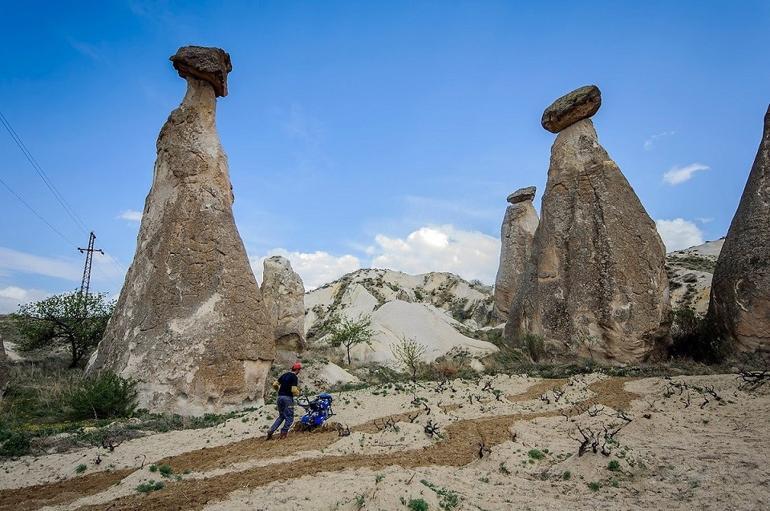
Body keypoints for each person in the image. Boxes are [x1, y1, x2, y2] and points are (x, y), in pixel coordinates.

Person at [266, 361, 302, 440]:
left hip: (279, 398)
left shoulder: (284, 375)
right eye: (299, 370)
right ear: (298, 370)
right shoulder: (294, 377)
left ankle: (271, 430)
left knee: (281, 416)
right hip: (288, 399)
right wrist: (299, 393)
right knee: (290, 417)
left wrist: (278, 390)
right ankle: (283, 434)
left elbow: (275, 384)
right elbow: (293, 390)